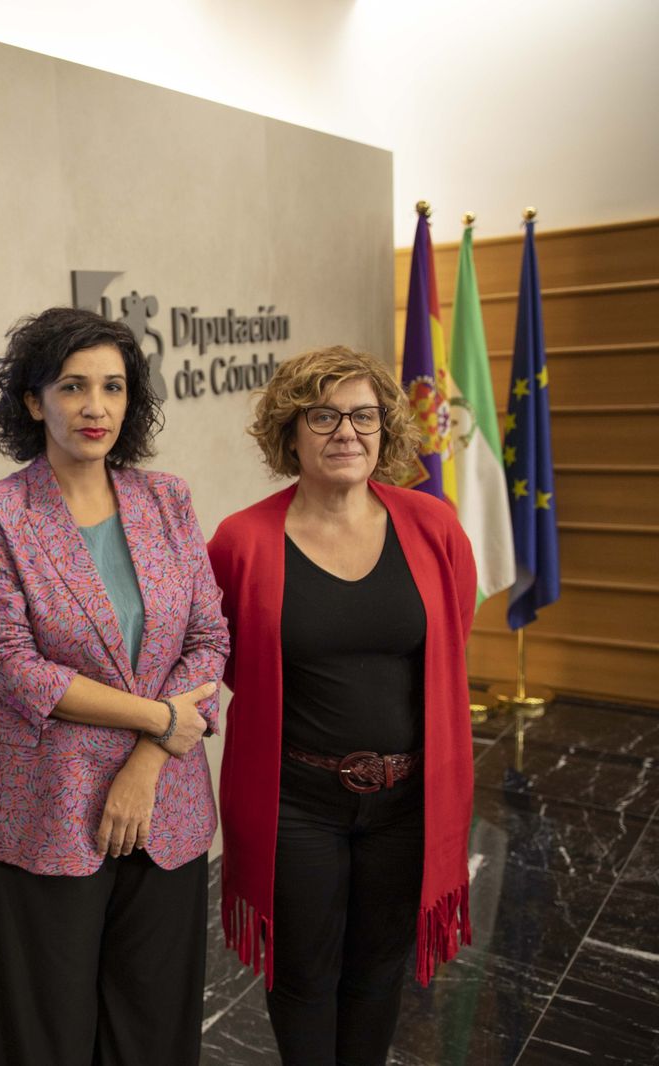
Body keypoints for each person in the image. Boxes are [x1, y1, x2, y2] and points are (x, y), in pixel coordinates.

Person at [0, 307, 229, 1065]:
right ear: (32, 401)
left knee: (154, 1030)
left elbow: (211, 638)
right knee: (46, 1035)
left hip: (166, 803)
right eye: (73, 387)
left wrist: (148, 758)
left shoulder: (165, 499)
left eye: (112, 387)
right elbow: (14, 665)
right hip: (47, 807)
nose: (95, 407)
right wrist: (159, 717)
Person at [206, 346, 476, 1065]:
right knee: (302, 975)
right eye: (323, 415)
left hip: (408, 798)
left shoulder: (433, 527)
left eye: (363, 415)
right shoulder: (242, 540)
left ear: (385, 429)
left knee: (378, 971)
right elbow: (223, 655)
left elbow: (453, 633)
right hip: (296, 798)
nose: (346, 432)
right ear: (290, 433)